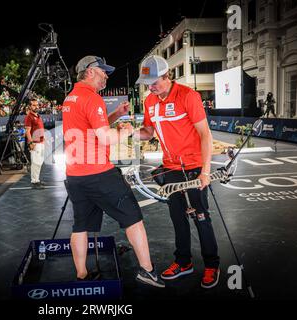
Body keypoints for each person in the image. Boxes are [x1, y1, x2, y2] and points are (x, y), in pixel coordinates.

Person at [62, 55, 165, 287]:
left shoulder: (71, 98)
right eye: (103, 72)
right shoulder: (92, 97)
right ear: (90, 72)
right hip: (98, 173)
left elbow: (90, 127)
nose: (106, 76)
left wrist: (116, 115)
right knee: (133, 218)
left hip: (75, 175)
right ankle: (147, 271)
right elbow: (106, 138)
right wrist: (127, 131)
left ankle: (81, 275)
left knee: (80, 226)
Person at [133, 55, 220, 289]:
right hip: (171, 167)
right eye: (147, 82)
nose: (151, 86)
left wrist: (205, 171)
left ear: (166, 75)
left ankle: (212, 264)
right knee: (177, 217)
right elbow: (148, 132)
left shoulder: (188, 96)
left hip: (194, 167)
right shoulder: (149, 101)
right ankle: (184, 262)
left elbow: (205, 135)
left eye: (154, 81)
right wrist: (129, 132)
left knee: (201, 216)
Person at [24, 98, 45, 189]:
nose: (36, 106)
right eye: (34, 105)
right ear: (30, 106)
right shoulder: (29, 116)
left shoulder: (38, 115)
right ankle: (34, 181)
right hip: (35, 143)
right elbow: (27, 131)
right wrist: (31, 142)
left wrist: (44, 139)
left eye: (37, 105)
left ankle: (37, 179)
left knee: (39, 162)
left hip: (40, 142)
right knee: (35, 163)